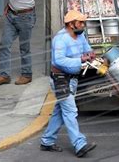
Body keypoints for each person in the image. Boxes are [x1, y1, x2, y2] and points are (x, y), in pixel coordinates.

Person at [40, 10, 97, 158]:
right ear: (71, 24)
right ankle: (79, 144)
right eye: (80, 22)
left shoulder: (80, 35)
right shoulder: (60, 39)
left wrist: (90, 54)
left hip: (72, 79)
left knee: (60, 112)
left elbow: (86, 49)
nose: (83, 25)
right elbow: (58, 60)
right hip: (60, 79)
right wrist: (80, 60)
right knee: (70, 111)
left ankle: (47, 141)